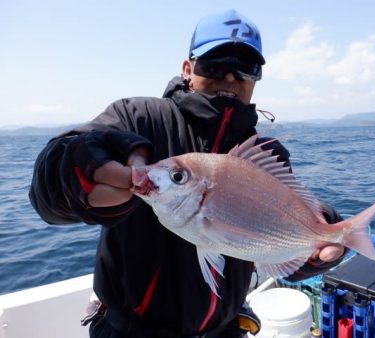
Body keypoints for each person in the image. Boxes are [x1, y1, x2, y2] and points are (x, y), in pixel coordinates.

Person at [29, 9, 345, 338]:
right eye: (215, 64)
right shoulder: (139, 119)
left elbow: (273, 250)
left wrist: (319, 242)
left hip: (226, 331)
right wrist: (72, 170)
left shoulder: (266, 154)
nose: (230, 78)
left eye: (245, 69)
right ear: (187, 69)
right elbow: (47, 191)